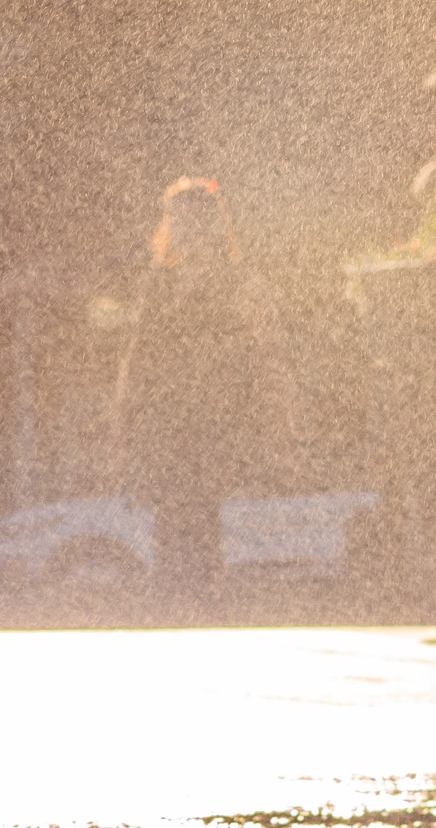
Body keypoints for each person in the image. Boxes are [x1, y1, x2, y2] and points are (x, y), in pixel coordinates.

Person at [111, 177, 301, 603]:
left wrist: (279, 430)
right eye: (178, 219)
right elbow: (136, 362)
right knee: (169, 520)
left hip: (217, 423)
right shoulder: (157, 286)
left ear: (214, 226)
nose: (187, 228)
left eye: (196, 219)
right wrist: (124, 427)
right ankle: (175, 608)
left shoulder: (241, 286)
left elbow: (270, 360)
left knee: (200, 518)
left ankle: (201, 606)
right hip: (164, 425)